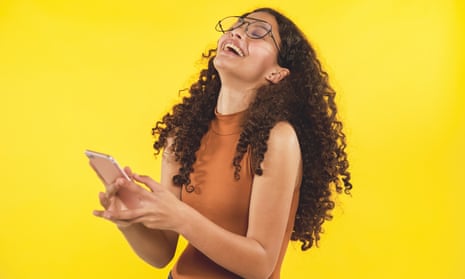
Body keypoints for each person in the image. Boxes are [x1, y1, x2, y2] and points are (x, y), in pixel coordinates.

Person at [93, 7, 352, 279]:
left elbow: (261, 264)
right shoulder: (184, 134)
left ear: (277, 73)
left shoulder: (278, 139)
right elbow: (161, 254)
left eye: (256, 33)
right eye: (236, 28)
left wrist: (180, 216)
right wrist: (128, 222)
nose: (238, 33)